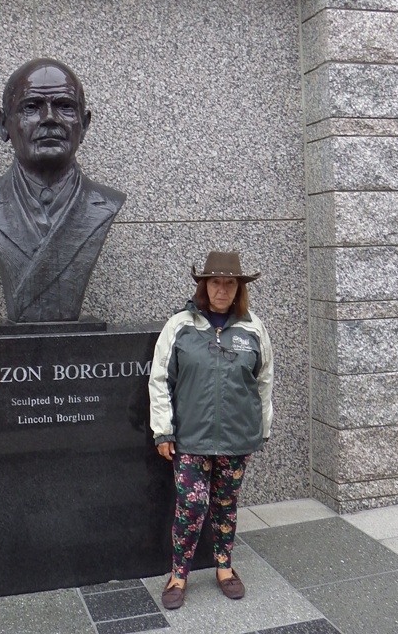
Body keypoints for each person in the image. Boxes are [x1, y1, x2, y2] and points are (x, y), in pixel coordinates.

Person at [148, 250, 273, 610]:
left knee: (225, 504)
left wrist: (262, 428)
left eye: (229, 283)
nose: (222, 289)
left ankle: (224, 567)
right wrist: (163, 431)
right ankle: (178, 574)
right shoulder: (180, 326)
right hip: (191, 438)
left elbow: (264, 382)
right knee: (191, 504)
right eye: (215, 282)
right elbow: (160, 380)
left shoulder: (253, 329)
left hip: (236, 437)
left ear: (238, 289)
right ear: (204, 285)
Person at [0, 59, 126, 323]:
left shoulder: (105, 204)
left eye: (65, 106)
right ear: (3, 124)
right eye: (31, 107)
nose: (50, 118)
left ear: (84, 124)